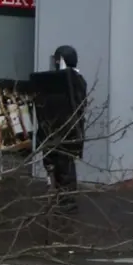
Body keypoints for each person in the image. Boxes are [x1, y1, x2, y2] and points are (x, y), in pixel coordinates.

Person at [42, 45, 87, 213]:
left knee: (65, 166)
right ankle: (59, 197)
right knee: (55, 165)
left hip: (67, 132)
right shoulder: (60, 81)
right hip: (55, 130)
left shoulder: (76, 80)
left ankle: (67, 200)